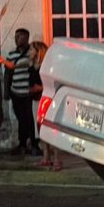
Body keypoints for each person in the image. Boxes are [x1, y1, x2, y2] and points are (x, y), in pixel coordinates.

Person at [0, 28, 39, 156]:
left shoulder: (32, 52)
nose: (18, 39)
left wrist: (4, 61)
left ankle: (33, 143)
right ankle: (22, 143)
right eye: (16, 37)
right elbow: (8, 73)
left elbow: (22, 65)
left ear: (27, 38)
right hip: (16, 90)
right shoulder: (12, 53)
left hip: (28, 91)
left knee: (30, 119)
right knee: (21, 119)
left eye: (21, 37)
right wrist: (6, 91)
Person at [29, 40, 62, 171]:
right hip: (36, 99)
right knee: (41, 129)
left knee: (51, 129)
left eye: (32, 50)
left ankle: (56, 159)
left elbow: (55, 83)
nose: (29, 52)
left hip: (47, 99)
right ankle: (46, 157)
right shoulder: (32, 66)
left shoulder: (48, 66)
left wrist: (40, 87)